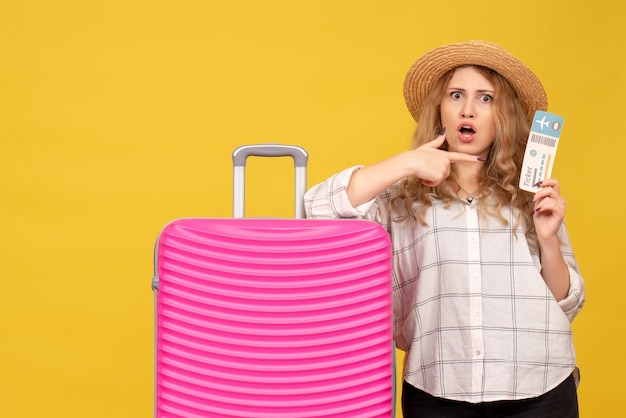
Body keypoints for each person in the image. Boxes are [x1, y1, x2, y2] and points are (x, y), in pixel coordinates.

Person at [304, 40, 585, 417]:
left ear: (503, 116)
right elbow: (317, 211)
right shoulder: (399, 198)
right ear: (441, 110)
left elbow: (565, 304)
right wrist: (406, 163)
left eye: (486, 98)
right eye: (456, 95)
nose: (468, 109)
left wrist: (549, 241)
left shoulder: (530, 195)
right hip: (437, 387)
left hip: (541, 384)